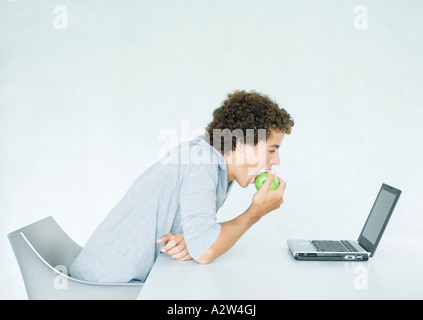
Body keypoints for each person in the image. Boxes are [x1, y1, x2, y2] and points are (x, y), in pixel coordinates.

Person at [69, 90, 294, 283]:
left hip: (122, 283)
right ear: (242, 144)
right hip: (102, 289)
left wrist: (194, 238)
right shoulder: (201, 163)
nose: (276, 161)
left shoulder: (210, 161)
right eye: (272, 150)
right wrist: (256, 212)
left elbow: (201, 243)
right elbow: (206, 251)